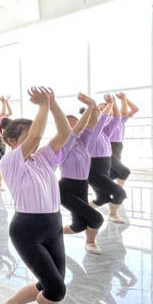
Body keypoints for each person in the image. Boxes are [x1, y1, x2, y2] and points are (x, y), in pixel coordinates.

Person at [0, 87, 72, 304]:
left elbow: (65, 132)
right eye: (30, 137)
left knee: (50, 281)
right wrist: (42, 107)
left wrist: (52, 103)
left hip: (53, 224)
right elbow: (36, 135)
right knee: (56, 288)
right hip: (27, 230)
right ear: (11, 141)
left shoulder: (43, 158)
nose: (37, 140)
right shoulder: (9, 162)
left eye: (37, 138)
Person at [59, 94, 104, 254]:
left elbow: (91, 123)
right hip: (65, 188)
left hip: (81, 185)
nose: (74, 127)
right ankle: (90, 242)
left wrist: (93, 107)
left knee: (78, 225)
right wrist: (91, 106)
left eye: (75, 123)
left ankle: (54, 233)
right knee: (96, 218)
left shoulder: (83, 142)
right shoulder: (63, 143)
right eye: (69, 124)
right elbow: (75, 131)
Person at [86, 95, 127, 224]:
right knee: (120, 193)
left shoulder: (104, 132)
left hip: (104, 169)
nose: (101, 113)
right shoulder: (89, 132)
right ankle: (113, 214)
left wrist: (113, 104)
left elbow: (116, 118)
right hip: (94, 171)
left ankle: (82, 211)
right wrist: (109, 104)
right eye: (98, 111)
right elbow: (102, 119)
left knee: (102, 199)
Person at [109, 92, 138, 187]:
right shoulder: (106, 121)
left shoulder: (121, 120)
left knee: (113, 173)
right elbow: (124, 112)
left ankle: (115, 193)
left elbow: (135, 109)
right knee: (123, 171)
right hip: (109, 146)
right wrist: (122, 99)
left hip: (118, 147)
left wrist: (125, 98)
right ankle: (118, 193)